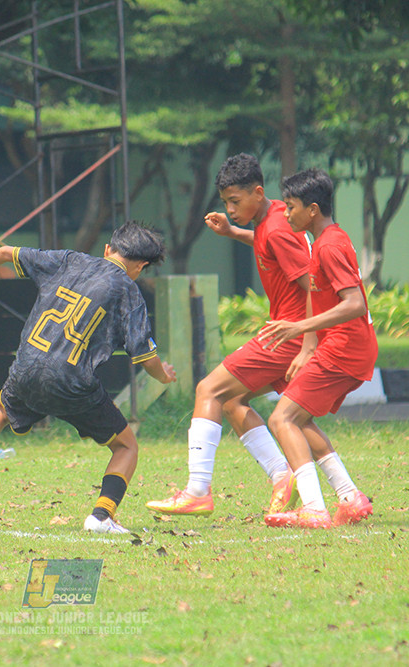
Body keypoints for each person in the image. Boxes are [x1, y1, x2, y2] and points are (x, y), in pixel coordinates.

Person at [0, 221, 177, 534]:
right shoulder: (129, 292)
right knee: (126, 447)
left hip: (27, 368)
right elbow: (145, 357)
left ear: (107, 249)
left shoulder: (68, 260)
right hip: (72, 381)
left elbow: (5, 252)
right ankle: (101, 517)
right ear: (141, 266)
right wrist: (164, 375)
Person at [146, 154, 362, 519]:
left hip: (286, 336)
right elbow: (269, 243)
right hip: (289, 335)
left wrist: (306, 343)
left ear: (257, 192)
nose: (229, 209)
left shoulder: (278, 226)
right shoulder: (275, 216)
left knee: (208, 390)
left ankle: (198, 490)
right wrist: (233, 233)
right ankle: (314, 485)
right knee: (239, 403)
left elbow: (310, 282)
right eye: (226, 202)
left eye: (235, 201)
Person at [257, 168, 376, 529]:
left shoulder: (330, 244)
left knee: (281, 418)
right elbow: (316, 294)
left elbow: (354, 303)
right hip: (338, 346)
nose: (285, 213)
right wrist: (306, 348)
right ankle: (350, 497)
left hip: (345, 348)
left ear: (311, 209)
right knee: (299, 419)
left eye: (290, 207)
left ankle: (313, 507)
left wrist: (299, 327)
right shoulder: (320, 240)